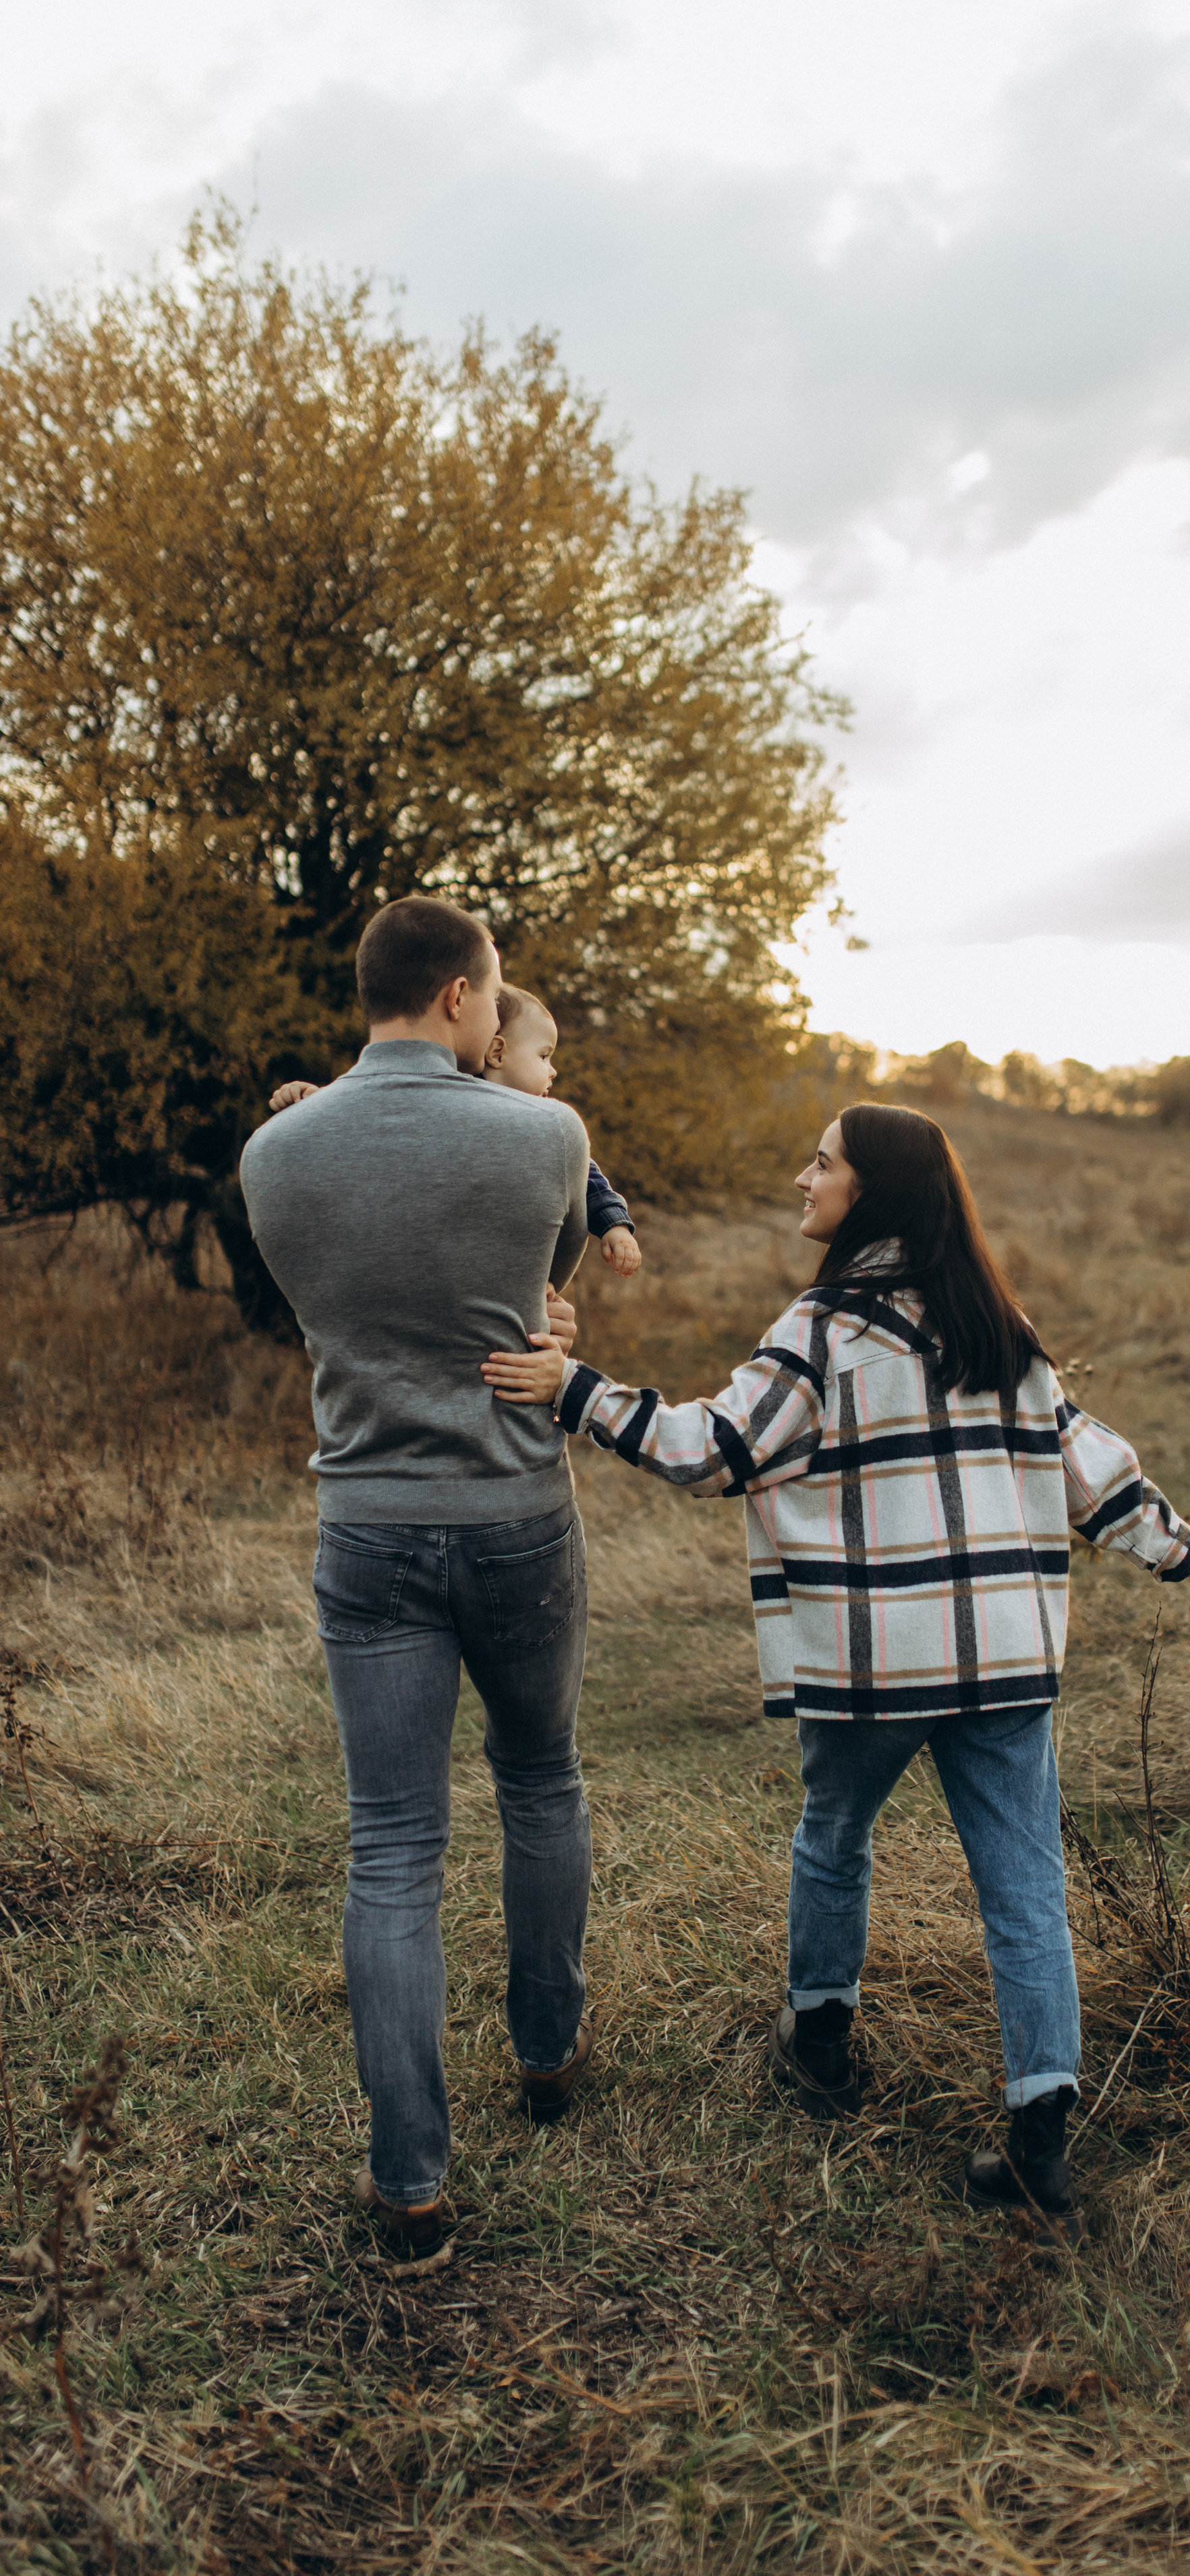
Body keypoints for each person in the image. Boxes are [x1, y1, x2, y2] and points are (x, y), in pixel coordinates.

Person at [480, 1102, 1190, 2242]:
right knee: (1026, 1891)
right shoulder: (999, 1323)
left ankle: (822, 2044)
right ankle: (1040, 2137)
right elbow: (1094, 1472)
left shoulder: (825, 1330)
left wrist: (577, 1391)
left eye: (823, 1163)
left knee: (834, 1836)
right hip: (1005, 1659)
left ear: (872, 1193)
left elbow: (715, 1452)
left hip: (874, 1664)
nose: (804, 1179)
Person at [240, 894, 597, 2259]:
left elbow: (318, 1309)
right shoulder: (545, 1134)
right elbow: (548, 1286)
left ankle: (411, 2187)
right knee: (540, 1776)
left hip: (367, 1524)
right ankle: (548, 2049)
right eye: (495, 995)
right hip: (514, 1510)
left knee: (390, 1847)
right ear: (459, 996)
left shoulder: (277, 1155)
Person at [270, 980, 644, 1280]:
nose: (553, 1070)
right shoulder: (446, 1097)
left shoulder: (545, 1125)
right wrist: (315, 1102)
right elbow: (375, 1116)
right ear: (497, 1053)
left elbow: (588, 1177)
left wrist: (614, 1225)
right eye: (544, 1056)